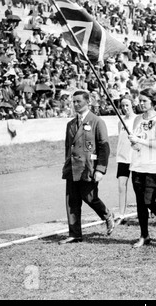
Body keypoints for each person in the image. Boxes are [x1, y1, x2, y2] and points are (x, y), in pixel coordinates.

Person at [60, 90, 115, 244]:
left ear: (87, 102)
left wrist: (100, 169)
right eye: (74, 102)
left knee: (90, 197)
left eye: (79, 101)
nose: (76, 104)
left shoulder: (97, 121)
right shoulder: (70, 124)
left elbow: (104, 148)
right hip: (72, 168)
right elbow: (68, 148)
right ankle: (75, 234)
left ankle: (107, 215)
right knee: (72, 201)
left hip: (88, 168)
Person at [128, 88, 156, 248]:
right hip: (138, 165)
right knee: (140, 203)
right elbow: (137, 143)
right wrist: (134, 143)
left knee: (148, 200)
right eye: (140, 100)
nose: (141, 103)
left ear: (153, 102)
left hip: (154, 166)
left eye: (144, 100)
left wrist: (139, 140)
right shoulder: (138, 119)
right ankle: (144, 235)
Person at [116, 94, 137, 222]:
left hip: (135, 158)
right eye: (122, 106)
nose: (125, 108)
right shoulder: (120, 121)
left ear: (132, 105)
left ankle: (143, 210)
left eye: (127, 105)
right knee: (121, 185)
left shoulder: (138, 120)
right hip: (123, 158)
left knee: (137, 187)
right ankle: (121, 214)